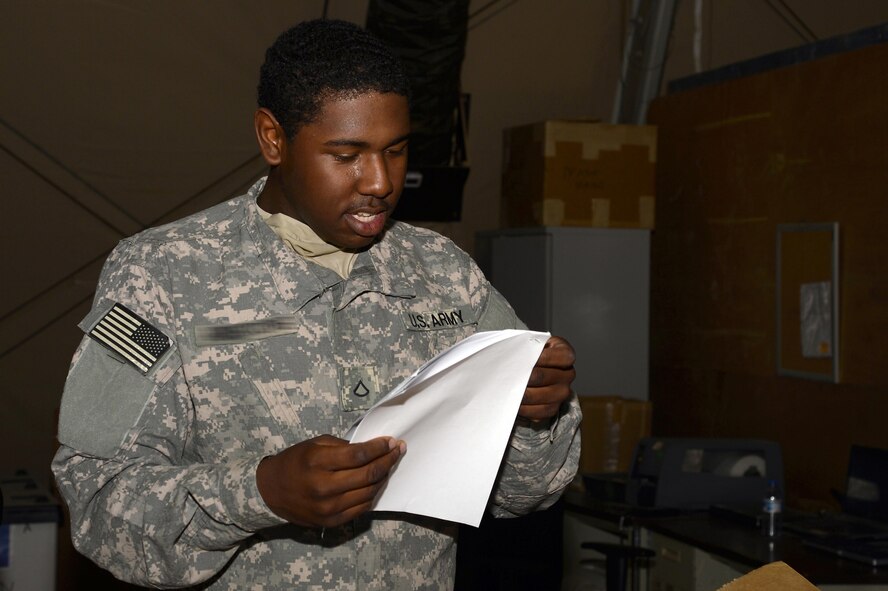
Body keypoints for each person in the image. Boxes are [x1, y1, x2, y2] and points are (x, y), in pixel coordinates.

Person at [52, 18, 581, 590]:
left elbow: (525, 494)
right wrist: (259, 493)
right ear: (273, 138)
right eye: (347, 153)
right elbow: (99, 501)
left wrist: (535, 417)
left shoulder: (445, 274)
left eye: (396, 151)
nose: (379, 180)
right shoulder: (161, 274)